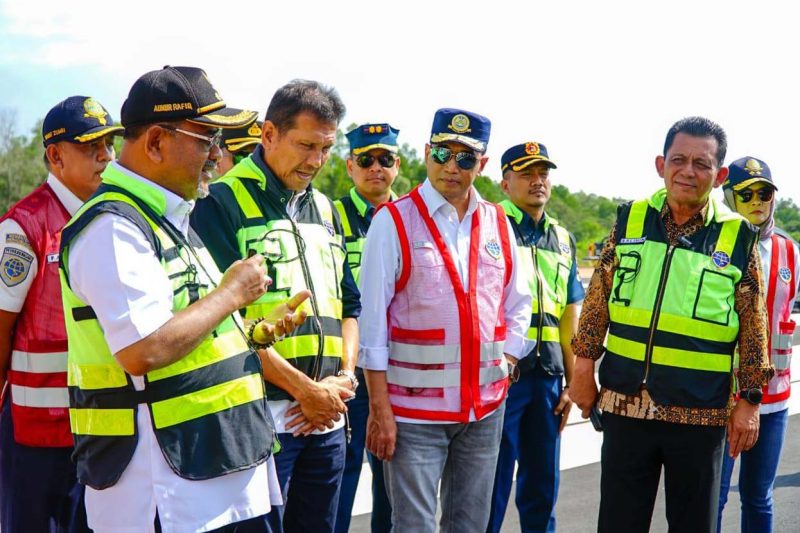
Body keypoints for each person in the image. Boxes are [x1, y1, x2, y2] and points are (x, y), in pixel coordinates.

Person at [58, 65, 310, 532]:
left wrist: (252, 333)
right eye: (207, 139)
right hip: (168, 492)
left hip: (216, 473)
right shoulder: (112, 226)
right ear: (155, 142)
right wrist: (233, 294)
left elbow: (190, 323)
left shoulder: (167, 216)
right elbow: (144, 348)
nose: (218, 156)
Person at [570, 116, 774, 533]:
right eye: (679, 159)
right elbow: (597, 301)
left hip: (700, 416)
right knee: (618, 524)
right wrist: (582, 369)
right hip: (626, 405)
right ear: (661, 164)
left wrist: (750, 402)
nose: (688, 171)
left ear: (718, 176)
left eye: (702, 164)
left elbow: (755, 326)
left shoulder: (737, 238)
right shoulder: (630, 220)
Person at [191, 79, 359, 533]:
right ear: (268, 134)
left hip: (326, 419)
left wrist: (344, 377)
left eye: (325, 148)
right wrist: (304, 389)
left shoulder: (325, 209)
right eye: (305, 145)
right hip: (262, 422)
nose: (316, 161)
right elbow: (218, 324)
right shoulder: (219, 202)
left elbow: (350, 307)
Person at [359, 108, 532, 533]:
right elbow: (373, 324)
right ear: (425, 154)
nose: (452, 166)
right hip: (414, 414)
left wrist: (507, 362)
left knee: (470, 525)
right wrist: (379, 408)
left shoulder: (497, 221)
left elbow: (518, 303)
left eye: (466, 158)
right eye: (442, 153)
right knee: (414, 526)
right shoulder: (394, 221)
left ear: (483, 165)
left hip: (484, 411)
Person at [0, 95, 122, 532]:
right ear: (55, 156)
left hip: (101, 428)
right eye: (92, 147)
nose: (106, 157)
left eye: (109, 144)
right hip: (36, 434)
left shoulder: (110, 219)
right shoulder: (23, 227)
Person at [488, 142, 584, 533]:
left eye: (543, 173)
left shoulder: (561, 238)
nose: (537, 181)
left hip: (547, 379)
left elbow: (569, 316)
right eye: (526, 173)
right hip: (501, 378)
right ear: (505, 182)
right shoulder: (489, 225)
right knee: (489, 486)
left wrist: (574, 380)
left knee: (543, 488)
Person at [717, 157, 798, 533]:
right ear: (728, 196)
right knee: (711, 498)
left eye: (764, 192)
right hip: (721, 397)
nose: (756, 200)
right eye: (745, 193)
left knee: (759, 497)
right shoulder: (711, 243)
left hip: (774, 399)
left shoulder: (791, 252)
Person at [334, 123, 399, 533]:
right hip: (346, 374)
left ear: (398, 164)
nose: (376, 168)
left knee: (392, 484)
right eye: (366, 160)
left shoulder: (411, 216)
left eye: (385, 160)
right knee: (339, 480)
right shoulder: (329, 216)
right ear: (349, 165)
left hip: (398, 372)